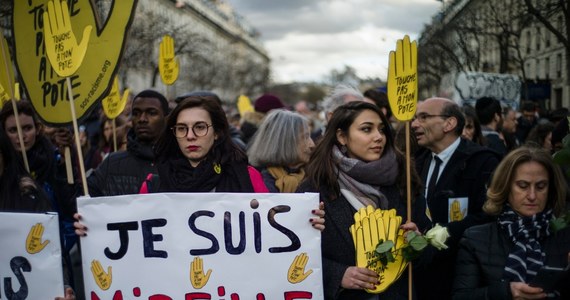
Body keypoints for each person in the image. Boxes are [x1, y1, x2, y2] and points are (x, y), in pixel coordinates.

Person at [297, 101, 427, 300]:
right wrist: (338, 274)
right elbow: (297, 256)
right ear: (342, 136)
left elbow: (428, 253)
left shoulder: (404, 180)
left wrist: (418, 242)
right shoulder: (314, 188)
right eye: (367, 129)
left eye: (382, 130)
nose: (379, 137)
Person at [411, 97, 501, 300]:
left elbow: (487, 215)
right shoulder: (417, 160)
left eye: (424, 117)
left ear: (449, 123)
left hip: (460, 276)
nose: (415, 124)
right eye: (416, 118)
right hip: (421, 278)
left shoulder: (482, 161)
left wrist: (437, 236)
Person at [453, 147, 570, 299]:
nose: (532, 196)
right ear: (505, 186)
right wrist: (506, 292)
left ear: (551, 189)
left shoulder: (564, 237)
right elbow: (461, 297)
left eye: (541, 186)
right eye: (523, 186)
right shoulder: (475, 238)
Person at [87, 89, 169, 196]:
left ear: (166, 118)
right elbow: (82, 202)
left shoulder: (180, 163)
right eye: (136, 113)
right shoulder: (112, 164)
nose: (142, 119)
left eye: (151, 113)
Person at [247, 109, 315, 192]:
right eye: (305, 137)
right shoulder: (256, 183)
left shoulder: (315, 177)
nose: (312, 144)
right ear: (285, 142)